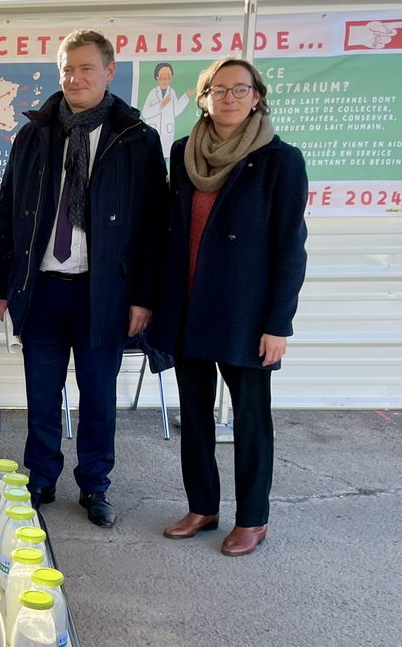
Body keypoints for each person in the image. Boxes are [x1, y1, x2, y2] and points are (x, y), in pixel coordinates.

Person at [0, 29, 167, 528]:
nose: (75, 78)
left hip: (104, 293)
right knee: (41, 394)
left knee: (98, 397)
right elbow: (8, 213)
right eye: (67, 68)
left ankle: (95, 485)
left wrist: (143, 296)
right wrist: (3, 284)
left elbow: (154, 226)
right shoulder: (34, 133)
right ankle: (41, 477)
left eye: (86, 68)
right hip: (42, 288)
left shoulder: (137, 140)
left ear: (109, 72)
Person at [153, 57, 307, 557]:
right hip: (189, 307)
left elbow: (290, 247)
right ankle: (203, 506)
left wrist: (278, 323)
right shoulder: (182, 153)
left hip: (245, 313)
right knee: (194, 415)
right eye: (218, 90)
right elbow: (169, 233)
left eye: (240, 90)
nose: (229, 98)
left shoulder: (280, 160)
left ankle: (252, 518)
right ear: (202, 98)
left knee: (250, 420)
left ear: (257, 96)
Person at [142, 62, 193, 157]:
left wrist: (186, 96)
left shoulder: (172, 92)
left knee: (166, 156)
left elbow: (176, 111)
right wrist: (162, 104)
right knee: (152, 156)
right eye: (162, 75)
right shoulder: (153, 93)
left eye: (168, 75)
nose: (165, 77)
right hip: (153, 129)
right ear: (157, 77)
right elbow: (145, 113)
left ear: (172, 77)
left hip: (167, 131)